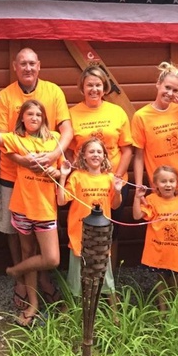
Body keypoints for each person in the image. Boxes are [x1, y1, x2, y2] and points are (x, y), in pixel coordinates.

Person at [0, 48, 73, 308]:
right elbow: (1, 139)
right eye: (22, 64)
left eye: (31, 64)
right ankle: (23, 279)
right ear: (15, 67)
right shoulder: (5, 96)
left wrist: (53, 157)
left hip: (45, 178)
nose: (27, 68)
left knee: (43, 231)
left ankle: (43, 277)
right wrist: (24, 161)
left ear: (39, 65)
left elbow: (67, 130)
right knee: (16, 232)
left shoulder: (53, 91)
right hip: (11, 174)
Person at [0, 96, 62, 327]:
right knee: (29, 254)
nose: (34, 118)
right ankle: (32, 304)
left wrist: (57, 174)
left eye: (38, 114)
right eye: (30, 114)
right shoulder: (17, 140)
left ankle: (14, 270)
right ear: (22, 118)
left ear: (44, 118)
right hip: (23, 207)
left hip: (45, 209)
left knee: (51, 258)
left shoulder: (54, 139)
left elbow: (63, 170)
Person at [68, 66, 133, 273]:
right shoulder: (72, 114)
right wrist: (76, 170)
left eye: (98, 85)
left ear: (104, 88)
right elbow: (69, 150)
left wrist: (116, 177)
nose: (94, 89)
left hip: (113, 183)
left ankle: (108, 279)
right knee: (85, 228)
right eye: (89, 85)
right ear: (82, 88)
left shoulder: (117, 112)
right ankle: (86, 276)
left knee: (111, 231)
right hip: (85, 183)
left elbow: (127, 149)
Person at [57, 138, 122, 304]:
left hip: (101, 235)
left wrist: (117, 190)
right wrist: (63, 177)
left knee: (105, 272)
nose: (95, 155)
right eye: (91, 151)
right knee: (77, 273)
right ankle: (72, 308)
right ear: (83, 156)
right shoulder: (77, 176)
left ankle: (113, 309)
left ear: (104, 156)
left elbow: (115, 205)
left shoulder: (109, 177)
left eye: (99, 152)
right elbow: (61, 201)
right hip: (80, 234)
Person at [132, 165, 178, 310]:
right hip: (159, 252)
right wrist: (137, 198)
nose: (168, 185)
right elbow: (137, 215)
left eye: (171, 181)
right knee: (162, 283)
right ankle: (163, 313)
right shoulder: (151, 200)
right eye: (163, 181)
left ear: (176, 183)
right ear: (156, 184)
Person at [131, 62, 178, 189]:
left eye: (175, 90)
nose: (170, 93)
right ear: (158, 84)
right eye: (167, 87)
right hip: (160, 182)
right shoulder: (141, 116)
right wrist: (138, 184)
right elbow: (139, 156)